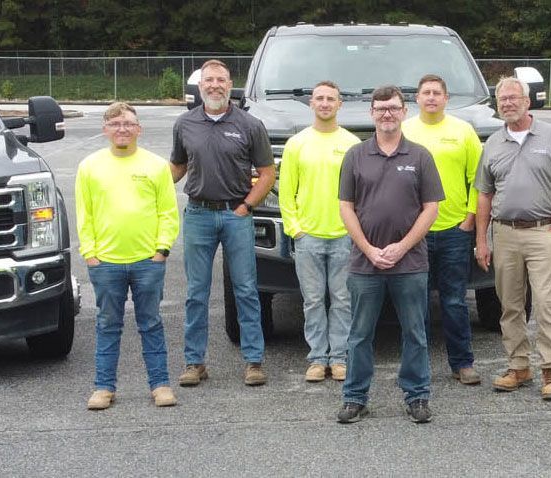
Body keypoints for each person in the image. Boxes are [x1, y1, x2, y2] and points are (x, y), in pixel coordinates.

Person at [335, 85, 445, 424]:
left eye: (393, 108)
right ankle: (355, 397)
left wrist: (402, 246)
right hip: (364, 264)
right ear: (371, 113)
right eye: (381, 108)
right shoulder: (355, 155)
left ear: (404, 112)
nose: (387, 113)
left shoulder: (420, 156)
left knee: (414, 332)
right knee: (359, 334)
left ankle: (417, 396)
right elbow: (345, 207)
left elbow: (431, 209)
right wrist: (369, 249)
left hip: (410, 263)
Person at [475, 77, 551, 400]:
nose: (507, 103)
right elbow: (484, 195)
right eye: (501, 99)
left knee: (547, 303)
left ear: (527, 100)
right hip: (504, 232)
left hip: (542, 231)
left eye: (512, 98)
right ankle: (518, 367)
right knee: (510, 305)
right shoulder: (493, 143)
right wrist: (482, 239)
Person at [170, 59, 275, 387]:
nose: (214, 85)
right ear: (200, 86)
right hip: (198, 215)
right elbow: (177, 167)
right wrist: (145, 183)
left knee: (246, 289)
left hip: (236, 215)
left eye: (221, 80)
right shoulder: (184, 124)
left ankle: (254, 361)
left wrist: (247, 206)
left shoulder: (249, 125)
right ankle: (194, 362)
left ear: (231, 85)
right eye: (208, 80)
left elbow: (268, 174)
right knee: (196, 292)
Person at [75, 102, 180, 410]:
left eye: (128, 124)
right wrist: (90, 254)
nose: (122, 129)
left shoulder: (156, 166)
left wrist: (161, 250)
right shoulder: (89, 167)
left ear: (139, 129)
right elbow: (85, 214)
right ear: (105, 129)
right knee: (108, 324)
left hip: (148, 261)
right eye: (115, 124)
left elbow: (168, 212)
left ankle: (160, 385)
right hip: (105, 262)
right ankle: (103, 388)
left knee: (151, 323)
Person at [401, 74, 483, 386]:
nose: (432, 97)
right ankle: (416, 368)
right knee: (415, 303)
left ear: (446, 98)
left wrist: (470, 218)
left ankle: (462, 363)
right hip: (414, 232)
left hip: (454, 229)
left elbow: (479, 180)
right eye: (426, 93)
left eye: (437, 93)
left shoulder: (463, 132)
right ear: (417, 99)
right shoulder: (405, 131)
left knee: (454, 301)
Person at [279, 81, 360, 383]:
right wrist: (295, 230)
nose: (325, 103)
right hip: (308, 236)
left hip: (343, 236)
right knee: (312, 301)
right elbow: (286, 192)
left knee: (342, 299)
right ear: (311, 104)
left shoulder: (352, 144)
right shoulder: (297, 144)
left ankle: (338, 358)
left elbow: (359, 193)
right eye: (320, 98)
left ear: (340, 105)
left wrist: (354, 231)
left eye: (331, 99)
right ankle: (316, 359)